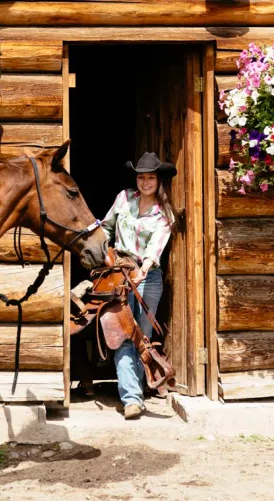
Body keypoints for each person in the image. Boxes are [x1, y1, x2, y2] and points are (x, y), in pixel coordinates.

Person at [100, 152, 178, 419]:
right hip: (119, 274)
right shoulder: (124, 198)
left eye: (151, 178)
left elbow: (155, 248)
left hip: (148, 277)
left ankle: (138, 388)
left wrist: (143, 269)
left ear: (159, 181)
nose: (145, 182)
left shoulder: (164, 214)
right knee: (122, 334)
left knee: (140, 337)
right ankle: (132, 398)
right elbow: (106, 227)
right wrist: (101, 253)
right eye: (141, 177)